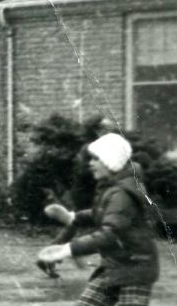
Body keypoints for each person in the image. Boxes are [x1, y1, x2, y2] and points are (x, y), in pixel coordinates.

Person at [37, 132, 174, 306]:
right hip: (117, 266)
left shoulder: (122, 192)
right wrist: (74, 217)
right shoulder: (113, 187)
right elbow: (103, 213)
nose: (91, 164)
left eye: (96, 158)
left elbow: (110, 232)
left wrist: (66, 249)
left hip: (135, 267)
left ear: (110, 162)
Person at [36, 115, 118, 279]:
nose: (111, 132)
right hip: (88, 193)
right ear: (98, 131)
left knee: (75, 225)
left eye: (111, 129)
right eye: (107, 129)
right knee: (88, 224)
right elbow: (85, 172)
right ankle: (54, 256)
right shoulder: (92, 148)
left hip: (93, 192)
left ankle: (51, 256)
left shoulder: (99, 147)